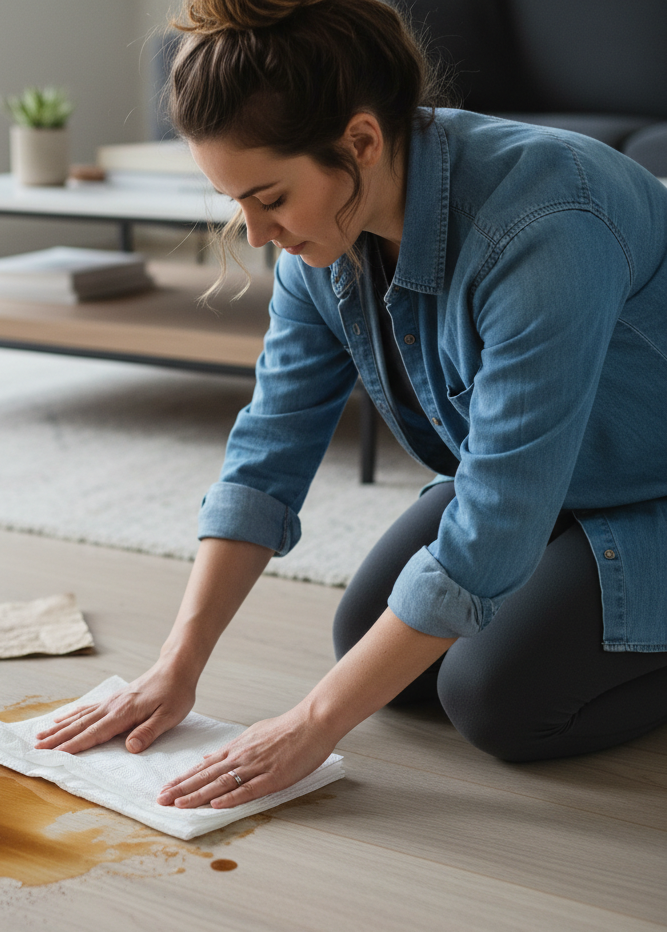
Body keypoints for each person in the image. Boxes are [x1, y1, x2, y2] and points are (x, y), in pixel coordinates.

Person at [36, 0, 667, 810]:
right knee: (372, 645)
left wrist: (310, 723)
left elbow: (495, 524)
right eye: (237, 203)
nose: (256, 233)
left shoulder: (547, 226)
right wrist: (177, 663)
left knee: (497, 700)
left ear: (361, 142)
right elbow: (272, 444)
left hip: (647, 481)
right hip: (563, 471)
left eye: (268, 197)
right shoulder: (326, 231)